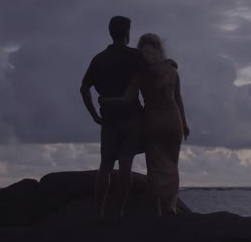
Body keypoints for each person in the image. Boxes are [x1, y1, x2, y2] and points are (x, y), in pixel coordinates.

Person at [101, 33, 190, 216]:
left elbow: (126, 99)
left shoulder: (140, 75)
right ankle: (172, 204)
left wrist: (105, 100)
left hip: (152, 121)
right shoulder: (173, 70)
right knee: (173, 163)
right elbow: (178, 98)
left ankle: (157, 208)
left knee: (155, 164)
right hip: (174, 120)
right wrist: (185, 123)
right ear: (160, 49)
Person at [80, 15, 144, 221]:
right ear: (127, 33)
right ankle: (119, 211)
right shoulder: (135, 56)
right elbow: (155, 71)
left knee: (105, 167)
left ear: (111, 32)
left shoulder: (99, 59)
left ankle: (98, 212)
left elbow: (84, 89)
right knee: (126, 166)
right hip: (132, 117)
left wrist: (94, 115)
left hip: (108, 119)